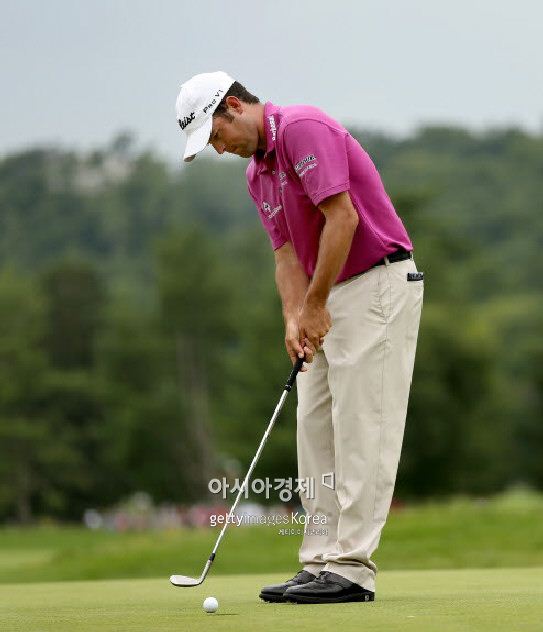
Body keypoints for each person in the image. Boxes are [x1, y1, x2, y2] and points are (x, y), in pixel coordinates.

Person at [175, 71, 424, 604]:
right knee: (314, 432)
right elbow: (285, 255)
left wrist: (314, 305)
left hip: (376, 285)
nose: (219, 149)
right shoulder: (257, 174)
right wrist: (294, 318)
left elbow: (343, 219)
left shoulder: (301, 129)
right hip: (326, 294)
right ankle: (319, 562)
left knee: (362, 429)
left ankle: (351, 569)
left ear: (233, 106)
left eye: (216, 136)